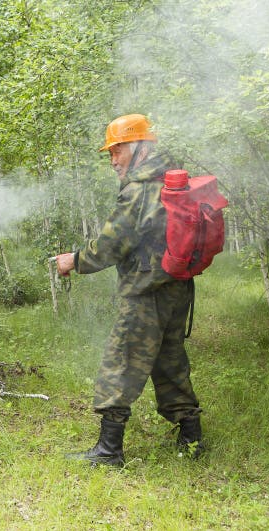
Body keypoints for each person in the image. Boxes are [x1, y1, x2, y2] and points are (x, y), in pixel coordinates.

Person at [55, 113, 204, 466]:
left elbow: (111, 244)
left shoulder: (139, 190)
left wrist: (75, 260)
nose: (112, 161)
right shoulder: (170, 183)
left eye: (115, 151)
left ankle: (108, 450)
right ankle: (191, 439)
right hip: (176, 289)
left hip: (145, 292)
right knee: (170, 362)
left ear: (136, 146)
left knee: (120, 363)